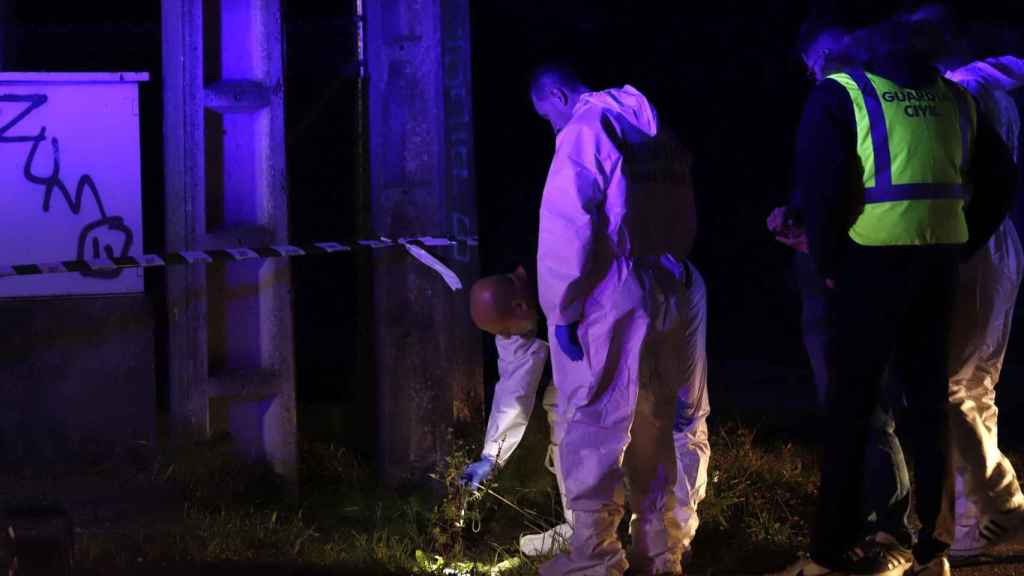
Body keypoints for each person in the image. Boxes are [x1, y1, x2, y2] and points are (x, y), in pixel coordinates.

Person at [778, 12, 1016, 576]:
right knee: (929, 405)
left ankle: (832, 552)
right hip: (937, 266)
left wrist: (833, 261)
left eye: (819, 61)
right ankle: (931, 549)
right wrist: (956, 243)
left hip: (869, 270)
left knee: (853, 411)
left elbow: (827, 183)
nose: (816, 72)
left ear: (846, 49)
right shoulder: (952, 96)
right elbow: (999, 180)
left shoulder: (845, 95)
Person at [532, 64, 708, 575]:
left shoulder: (586, 129)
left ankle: (594, 559)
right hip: (665, 284)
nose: (553, 128)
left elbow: (569, 225)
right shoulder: (657, 134)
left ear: (559, 94)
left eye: (549, 115)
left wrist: (561, 308)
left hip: (610, 290)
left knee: (592, 419)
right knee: (653, 421)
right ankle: (659, 552)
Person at [768, 20, 916, 576]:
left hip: (853, 276)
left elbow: (863, 195)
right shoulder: (843, 105)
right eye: (812, 63)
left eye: (821, 57)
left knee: (870, 408)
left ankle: (896, 535)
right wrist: (797, 219)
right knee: (851, 411)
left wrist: (825, 248)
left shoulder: (866, 104)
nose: (817, 70)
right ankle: (856, 533)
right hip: (834, 272)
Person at [461, 266, 575, 557]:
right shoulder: (518, 304)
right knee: (560, 406)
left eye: (505, 330)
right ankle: (581, 528)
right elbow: (515, 383)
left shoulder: (563, 278)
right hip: (578, 361)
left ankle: (657, 530)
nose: (507, 337)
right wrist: (491, 456)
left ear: (520, 306)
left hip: (631, 340)